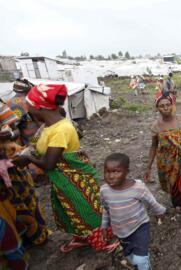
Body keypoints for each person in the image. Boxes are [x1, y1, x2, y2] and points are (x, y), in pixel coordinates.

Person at [14, 84, 118, 252]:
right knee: (72, 211)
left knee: (86, 210)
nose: (26, 106)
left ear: (38, 107)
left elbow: (49, 164)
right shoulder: (48, 126)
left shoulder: (61, 129)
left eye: (28, 103)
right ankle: (83, 237)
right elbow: (38, 147)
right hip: (62, 180)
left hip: (74, 180)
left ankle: (105, 240)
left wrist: (27, 158)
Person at [101, 153, 168, 270]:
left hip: (140, 226)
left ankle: (144, 265)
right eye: (107, 171)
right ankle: (139, 261)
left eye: (116, 171)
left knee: (139, 260)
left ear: (127, 172)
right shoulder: (104, 190)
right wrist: (104, 226)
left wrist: (160, 211)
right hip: (120, 231)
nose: (110, 176)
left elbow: (151, 201)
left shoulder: (137, 187)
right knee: (130, 256)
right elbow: (106, 209)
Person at [0, 101, 48, 248]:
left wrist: (7, 135)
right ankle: (17, 242)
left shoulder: (8, 105)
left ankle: (37, 236)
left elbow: (15, 130)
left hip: (12, 164)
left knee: (26, 199)